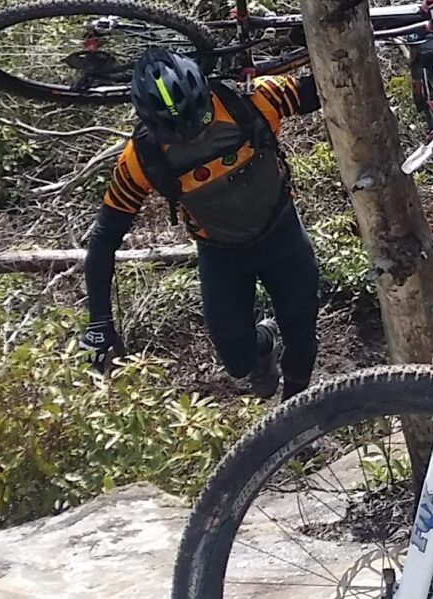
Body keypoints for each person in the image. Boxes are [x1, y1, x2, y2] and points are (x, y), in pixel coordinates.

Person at [80, 50, 322, 402]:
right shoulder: (141, 157)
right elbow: (105, 236)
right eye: (175, 133)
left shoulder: (252, 100)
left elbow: (327, 88)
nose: (192, 136)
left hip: (282, 237)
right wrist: (99, 319)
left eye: (200, 119)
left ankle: (294, 420)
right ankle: (263, 344)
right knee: (238, 360)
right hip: (221, 256)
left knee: (302, 340)